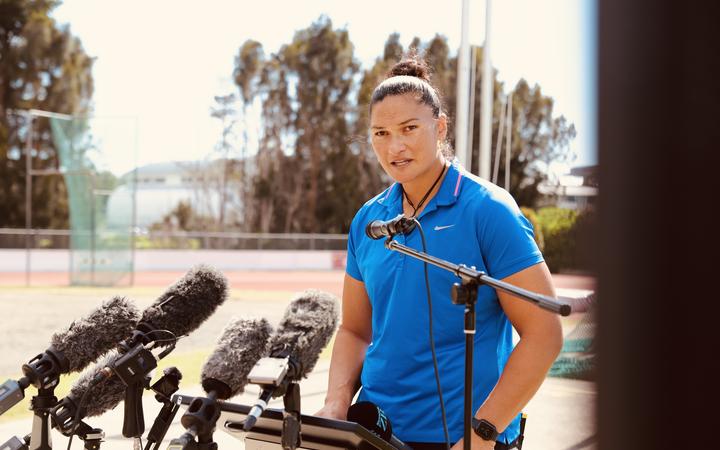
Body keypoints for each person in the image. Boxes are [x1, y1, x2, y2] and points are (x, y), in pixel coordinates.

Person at [315, 55, 563, 450]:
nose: (395, 146)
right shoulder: (368, 220)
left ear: (440, 127)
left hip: (466, 438)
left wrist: (482, 433)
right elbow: (355, 331)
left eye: (409, 128)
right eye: (380, 133)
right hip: (375, 431)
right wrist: (336, 402)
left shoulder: (489, 210)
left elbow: (544, 333)